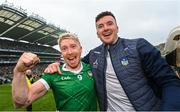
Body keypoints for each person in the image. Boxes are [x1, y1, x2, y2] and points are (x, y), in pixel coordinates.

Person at [44, 11, 180, 111]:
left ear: (117, 28)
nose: (106, 28)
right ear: (97, 33)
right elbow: (74, 62)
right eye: (100, 26)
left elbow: (169, 81)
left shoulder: (139, 46)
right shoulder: (94, 55)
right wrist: (57, 64)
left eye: (110, 24)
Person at [12, 33, 97, 111]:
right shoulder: (53, 73)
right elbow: (22, 101)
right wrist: (19, 72)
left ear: (80, 49)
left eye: (73, 46)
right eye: (64, 48)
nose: (70, 52)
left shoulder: (93, 69)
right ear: (61, 53)